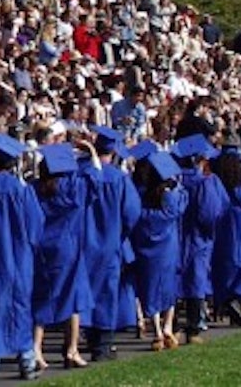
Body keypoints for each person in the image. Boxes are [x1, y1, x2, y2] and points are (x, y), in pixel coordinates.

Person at [0, 134, 44, 383]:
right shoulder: (21, 190)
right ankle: (26, 362)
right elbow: (36, 227)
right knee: (20, 307)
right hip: (18, 258)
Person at [31, 143, 95, 371]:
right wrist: (91, 151)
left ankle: (36, 349)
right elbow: (94, 180)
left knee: (42, 297)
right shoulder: (72, 187)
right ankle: (71, 349)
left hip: (42, 247)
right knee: (73, 297)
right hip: (67, 247)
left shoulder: (34, 188)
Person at [81, 126, 141, 361]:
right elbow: (132, 213)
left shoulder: (82, 173)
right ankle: (103, 344)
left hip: (85, 242)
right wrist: (121, 234)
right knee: (106, 290)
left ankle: (88, 337)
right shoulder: (119, 178)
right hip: (110, 241)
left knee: (87, 289)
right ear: (114, 152)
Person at [171, 133, 229, 344]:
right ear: (200, 159)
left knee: (176, 280)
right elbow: (211, 213)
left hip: (177, 236)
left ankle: (173, 326)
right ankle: (193, 328)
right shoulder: (206, 181)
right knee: (196, 280)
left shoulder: (175, 178)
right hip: (198, 237)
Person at [131, 150, 187, 351]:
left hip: (147, 250)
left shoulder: (143, 200)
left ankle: (156, 332)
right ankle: (168, 327)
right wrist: (177, 184)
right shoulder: (170, 199)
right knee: (169, 286)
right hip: (168, 249)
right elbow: (183, 202)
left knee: (150, 287)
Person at [212, 144, 241, 325]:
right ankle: (236, 295)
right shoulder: (240, 185)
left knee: (225, 266)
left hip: (222, 224)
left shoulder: (215, 181)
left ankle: (226, 302)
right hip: (239, 223)